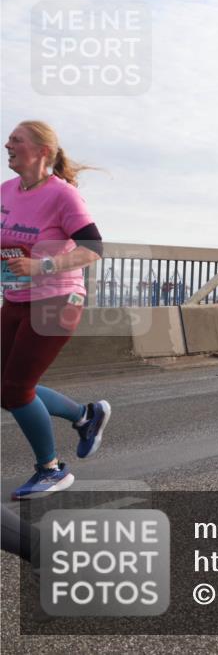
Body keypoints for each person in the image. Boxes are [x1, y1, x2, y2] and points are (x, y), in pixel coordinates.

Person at [2, 120, 111, 500]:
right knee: (8, 387)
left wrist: (41, 265)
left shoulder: (63, 196)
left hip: (58, 299)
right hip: (16, 298)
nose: (7, 144)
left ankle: (51, 470)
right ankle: (85, 416)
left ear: (42, 150)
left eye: (16, 139)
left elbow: (94, 249)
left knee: (15, 389)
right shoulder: (5, 191)